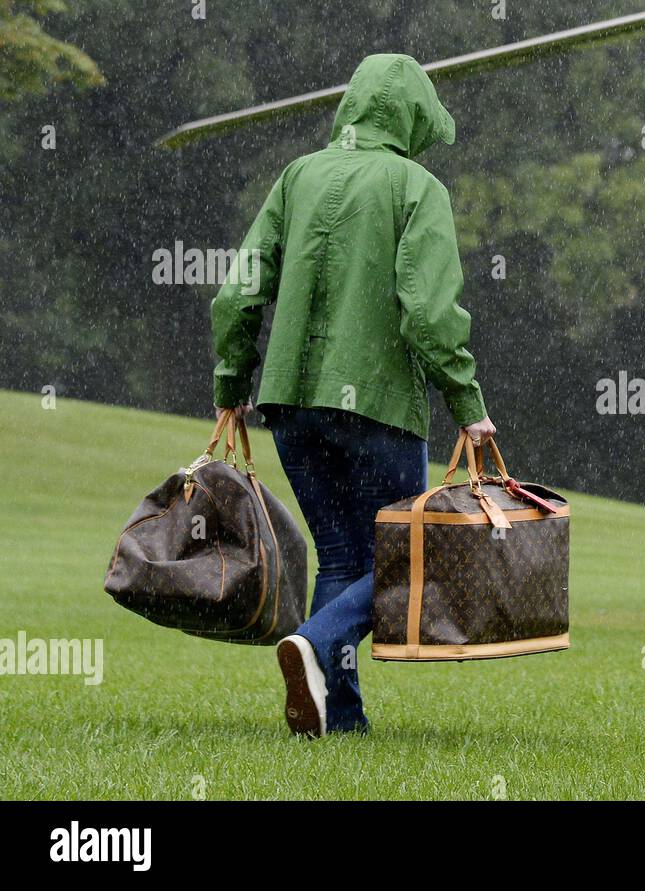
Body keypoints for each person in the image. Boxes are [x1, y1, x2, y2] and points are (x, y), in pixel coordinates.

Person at [209, 54, 495, 737]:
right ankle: (314, 640)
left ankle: (339, 718)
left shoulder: (297, 176)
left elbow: (237, 290)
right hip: (377, 404)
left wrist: (229, 385)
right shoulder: (416, 187)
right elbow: (427, 312)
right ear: (413, 117)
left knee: (340, 555)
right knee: (409, 556)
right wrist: (467, 401)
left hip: (290, 404)